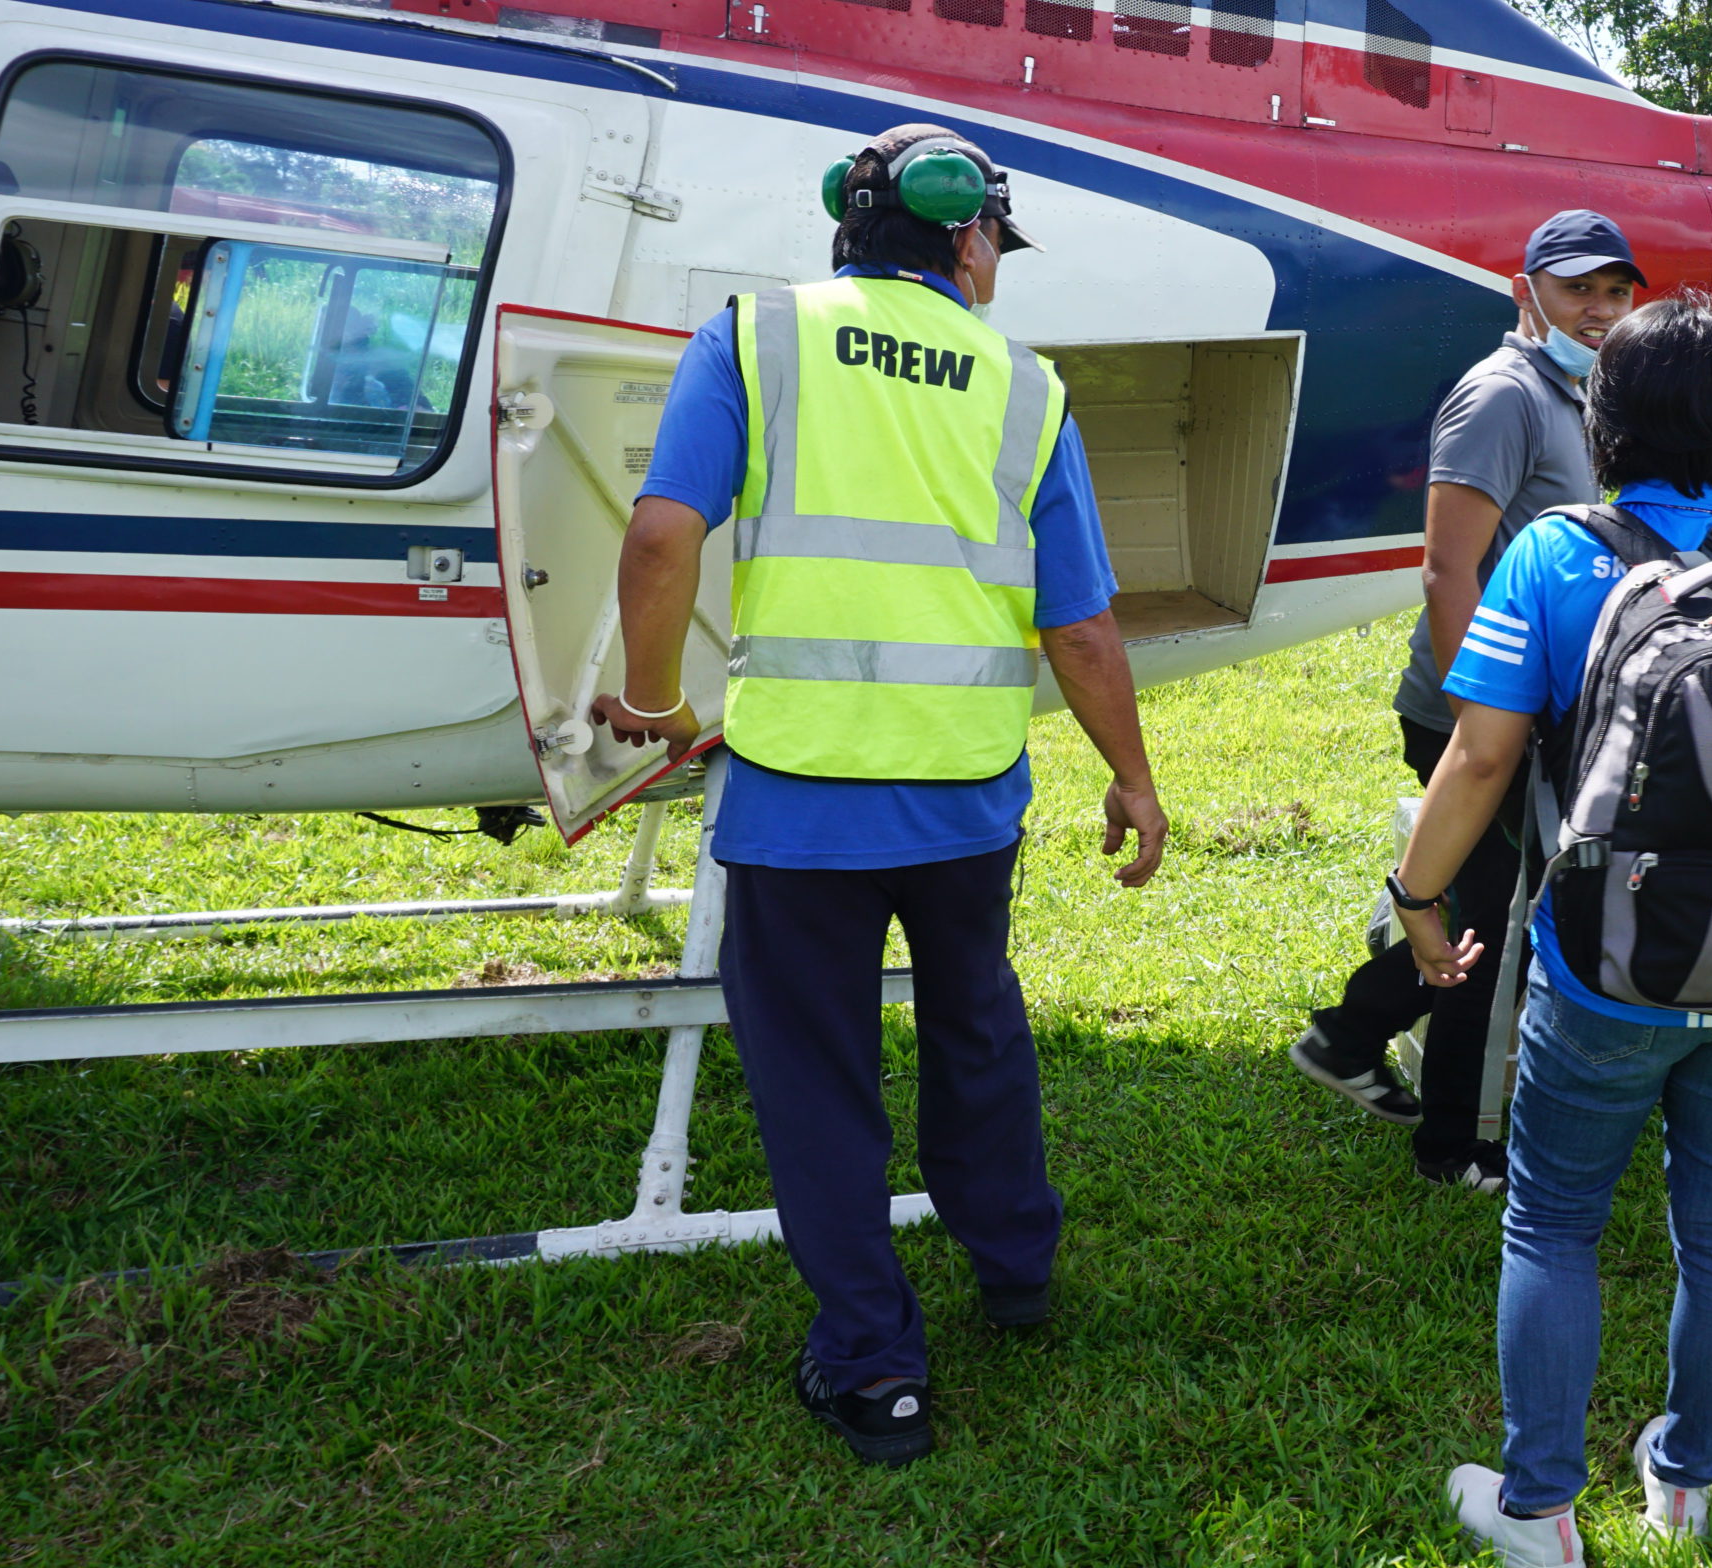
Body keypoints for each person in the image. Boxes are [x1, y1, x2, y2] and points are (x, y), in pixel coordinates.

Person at [592, 123, 1170, 1466]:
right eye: (997, 244)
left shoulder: (756, 338)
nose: (996, 266)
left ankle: (874, 1369)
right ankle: (1015, 1270)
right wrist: (1132, 777)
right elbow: (1079, 625)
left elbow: (664, 531)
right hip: (965, 799)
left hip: (798, 803)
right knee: (977, 1028)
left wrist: (657, 698)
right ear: (966, 236)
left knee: (818, 1075)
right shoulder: (1024, 387)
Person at [1388, 294, 1712, 1568]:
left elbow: (1482, 755)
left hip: (1609, 966)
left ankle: (1539, 1511)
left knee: (1552, 1223)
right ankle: (1685, 1484)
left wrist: (1419, 898)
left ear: (1604, 422)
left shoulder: (1553, 554)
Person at [1286, 210, 1644, 1195]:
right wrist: (1477, 718)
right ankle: (1455, 1148)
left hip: (1521, 710)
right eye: (1578, 288)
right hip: (1477, 711)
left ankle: (1349, 1034)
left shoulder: (1578, 391)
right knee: (1497, 925)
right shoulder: (1503, 394)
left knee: (1487, 905)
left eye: (1616, 290)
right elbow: (1449, 569)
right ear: (1526, 291)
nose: (1601, 309)